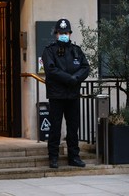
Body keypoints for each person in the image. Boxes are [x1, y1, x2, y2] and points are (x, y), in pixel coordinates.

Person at [42, 18, 90, 169]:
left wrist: (76, 78)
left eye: (66, 32)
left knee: (73, 128)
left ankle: (74, 157)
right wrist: (69, 78)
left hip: (73, 95)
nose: (64, 34)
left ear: (70, 33)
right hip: (57, 95)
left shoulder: (76, 50)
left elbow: (85, 67)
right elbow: (51, 70)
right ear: (56, 34)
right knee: (55, 127)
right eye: (61, 32)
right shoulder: (49, 50)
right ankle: (53, 157)